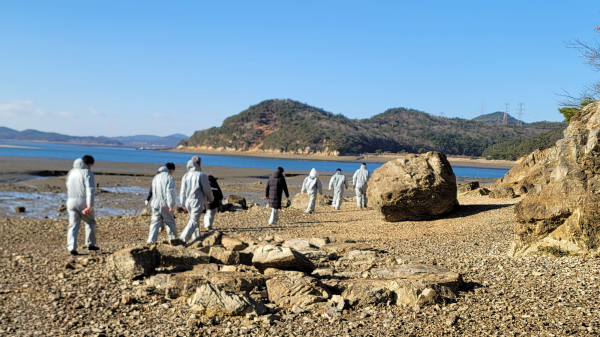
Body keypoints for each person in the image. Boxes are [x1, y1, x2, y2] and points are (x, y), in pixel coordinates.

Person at [66, 155, 97, 255]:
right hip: (83, 201)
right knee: (90, 222)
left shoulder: (71, 172)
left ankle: (71, 247)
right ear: (89, 164)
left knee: (73, 225)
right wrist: (90, 205)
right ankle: (90, 244)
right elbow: (90, 190)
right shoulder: (87, 172)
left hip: (71, 201)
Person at [179, 156, 213, 242]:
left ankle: (196, 238)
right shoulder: (201, 175)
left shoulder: (185, 175)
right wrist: (210, 198)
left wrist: (182, 203)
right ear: (199, 164)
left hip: (187, 201)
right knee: (193, 221)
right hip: (197, 200)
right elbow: (207, 189)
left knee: (195, 220)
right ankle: (182, 239)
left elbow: (182, 191)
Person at [147, 163, 178, 243]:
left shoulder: (155, 178)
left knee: (154, 223)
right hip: (165, 204)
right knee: (170, 222)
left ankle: (151, 241)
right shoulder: (170, 178)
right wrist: (171, 205)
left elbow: (153, 191)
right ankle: (173, 240)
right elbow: (169, 192)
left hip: (155, 203)